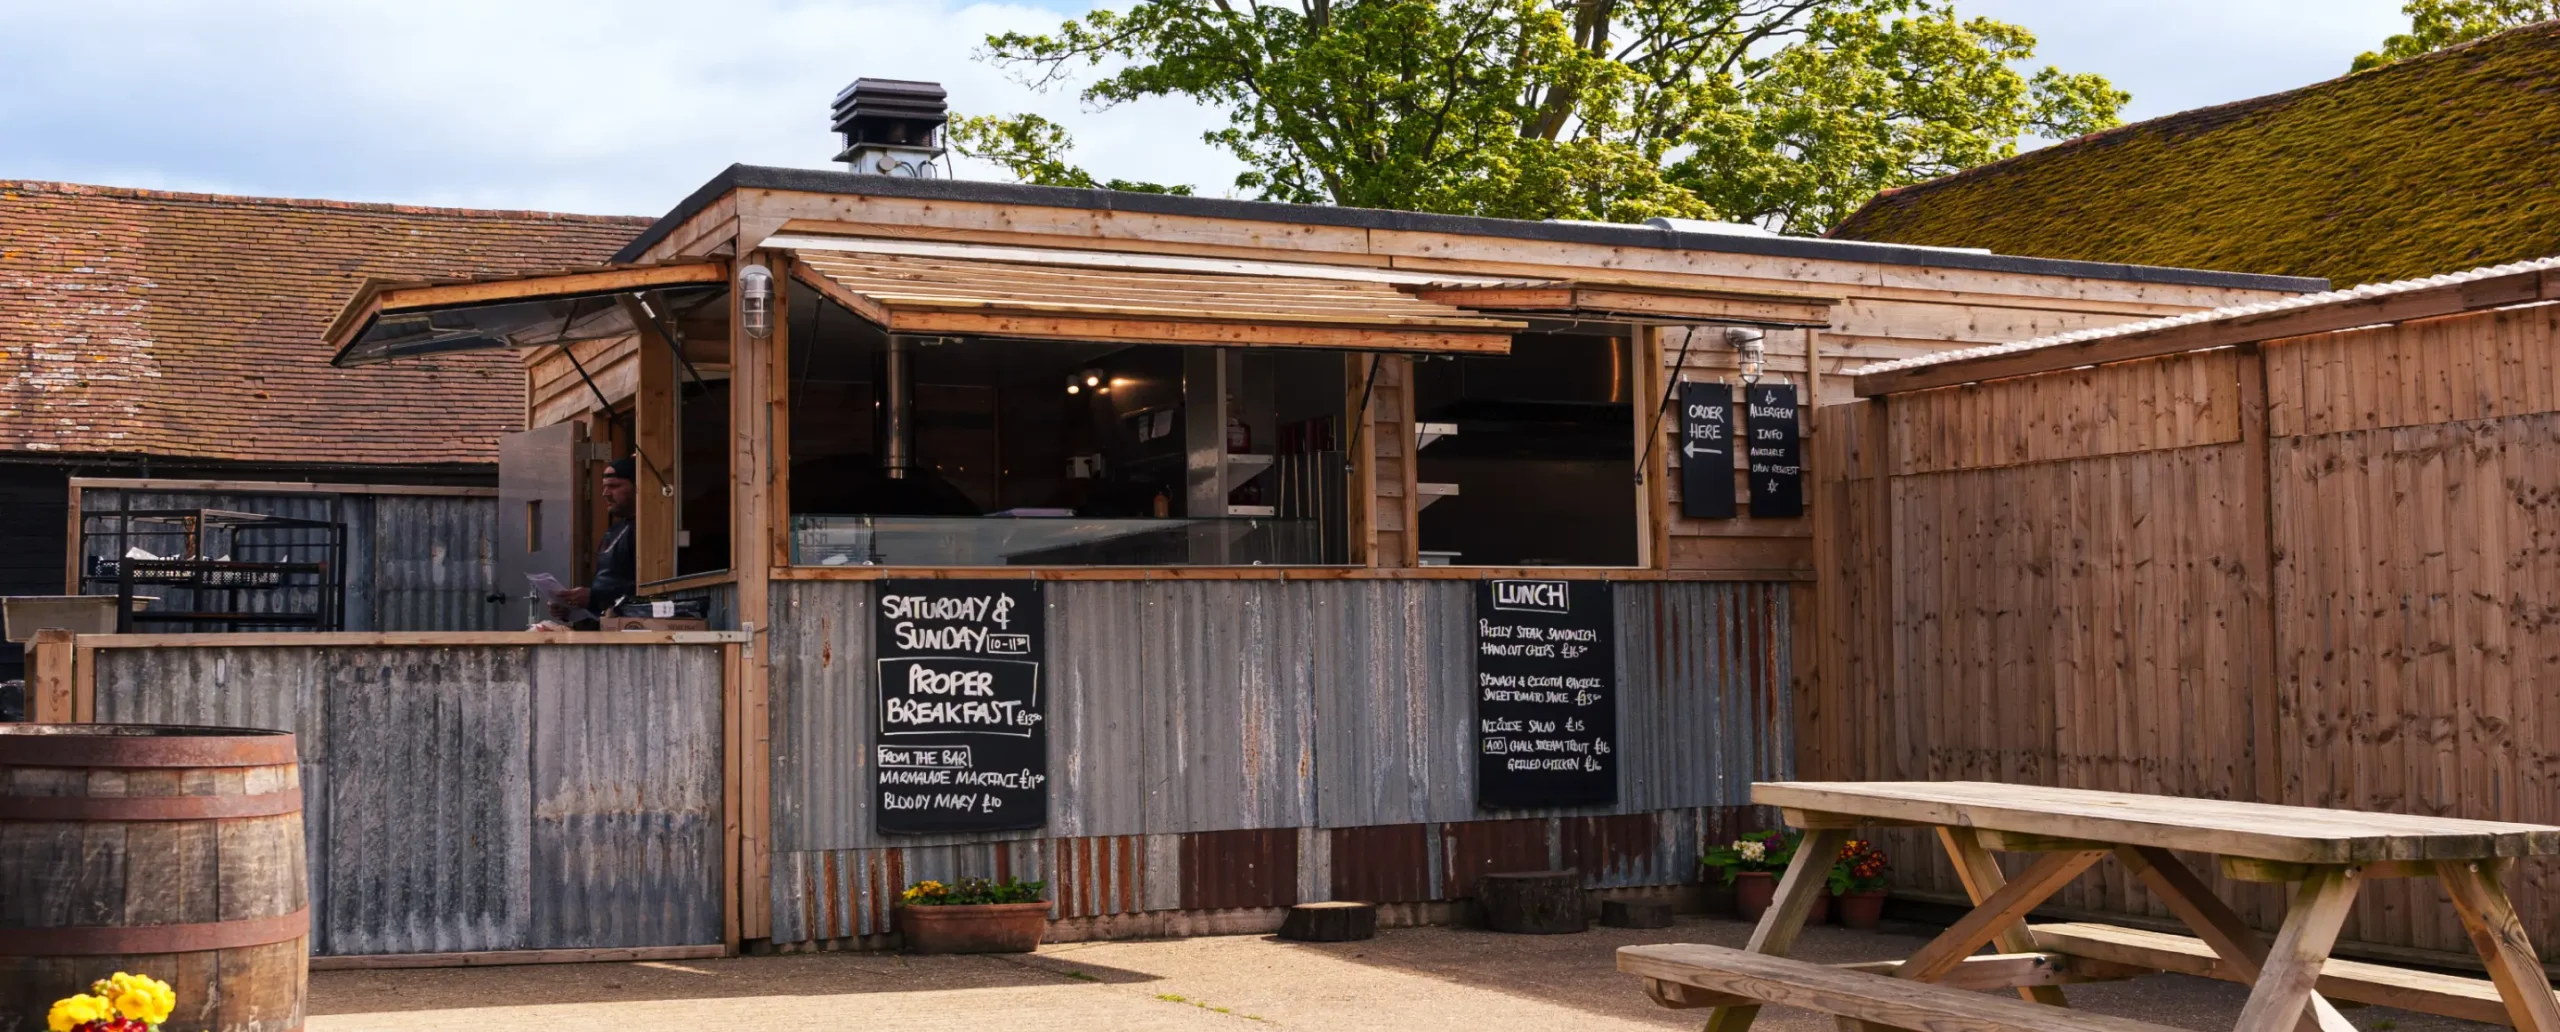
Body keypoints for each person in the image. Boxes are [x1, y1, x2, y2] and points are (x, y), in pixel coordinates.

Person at [557, 456, 636, 618]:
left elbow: (650, 588)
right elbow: (608, 585)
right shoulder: (614, 530)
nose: (605, 494)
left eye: (614, 486)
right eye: (604, 487)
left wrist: (594, 597)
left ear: (638, 486)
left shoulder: (650, 531)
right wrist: (572, 607)